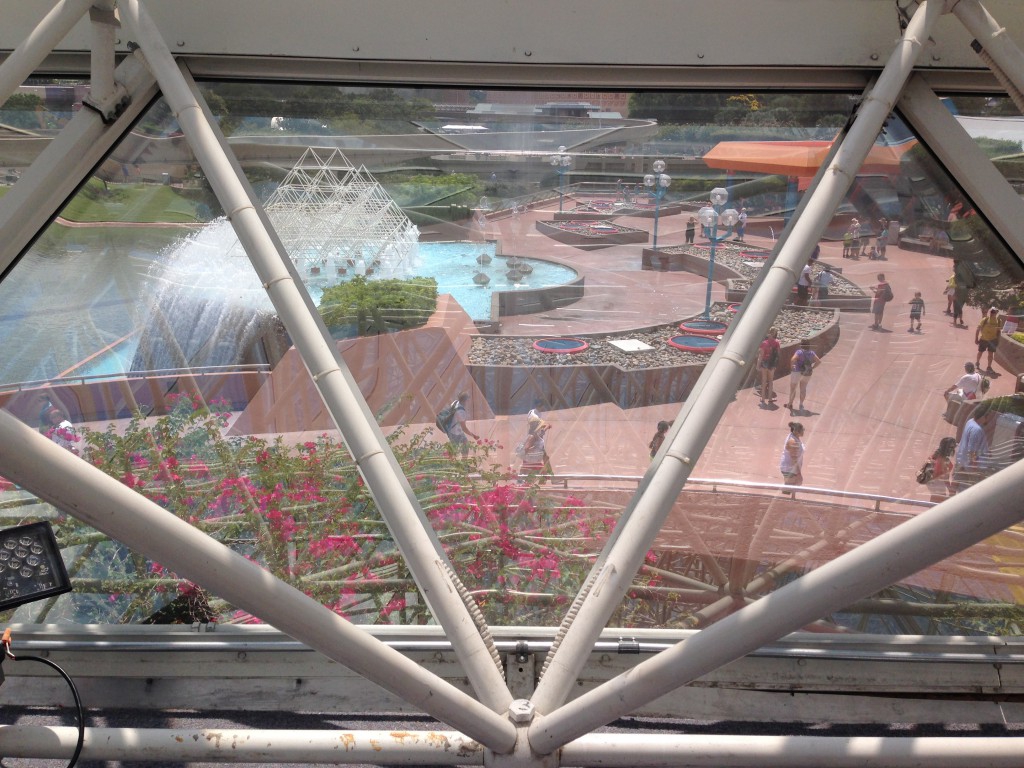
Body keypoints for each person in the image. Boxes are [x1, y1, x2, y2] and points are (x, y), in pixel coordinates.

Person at [953, 402, 994, 493]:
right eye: (987, 417)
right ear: (983, 417)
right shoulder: (977, 430)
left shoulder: (970, 421)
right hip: (971, 466)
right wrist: (974, 468)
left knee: (957, 485)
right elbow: (972, 451)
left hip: (962, 460)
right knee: (970, 491)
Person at [786, 339, 820, 413]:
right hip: (807, 373)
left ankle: (790, 404)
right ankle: (801, 404)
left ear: (801, 345)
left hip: (797, 372)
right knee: (803, 389)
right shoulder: (811, 353)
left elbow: (792, 359)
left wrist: (792, 366)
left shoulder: (799, 352)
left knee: (793, 389)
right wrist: (812, 367)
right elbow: (818, 361)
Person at [926, 436, 957, 503]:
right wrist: (950, 489)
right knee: (940, 500)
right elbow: (943, 476)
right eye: (952, 447)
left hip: (932, 483)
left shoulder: (936, 456)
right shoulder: (943, 460)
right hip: (937, 483)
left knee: (935, 498)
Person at [757, 327, 781, 406]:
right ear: (775, 334)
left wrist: (758, 365)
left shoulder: (764, 343)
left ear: (769, 332)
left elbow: (761, 356)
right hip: (772, 363)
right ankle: (770, 398)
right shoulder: (777, 343)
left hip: (765, 363)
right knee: (771, 381)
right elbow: (778, 354)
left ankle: (763, 399)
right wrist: (776, 364)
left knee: (764, 381)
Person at [779, 421, 806, 490]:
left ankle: (789, 495)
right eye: (802, 430)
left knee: (791, 488)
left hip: (790, 468)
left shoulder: (795, 437)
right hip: (790, 468)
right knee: (791, 487)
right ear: (797, 431)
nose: (803, 431)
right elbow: (794, 459)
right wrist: (798, 473)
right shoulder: (793, 441)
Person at [975, 306, 1001, 374]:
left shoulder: (998, 321)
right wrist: (976, 339)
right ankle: (977, 362)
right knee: (980, 352)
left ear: (996, 312)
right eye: (991, 312)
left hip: (993, 340)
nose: (992, 313)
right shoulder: (985, 319)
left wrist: (998, 340)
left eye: (994, 312)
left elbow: (999, 331)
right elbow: (978, 329)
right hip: (983, 339)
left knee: (991, 354)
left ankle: (989, 367)